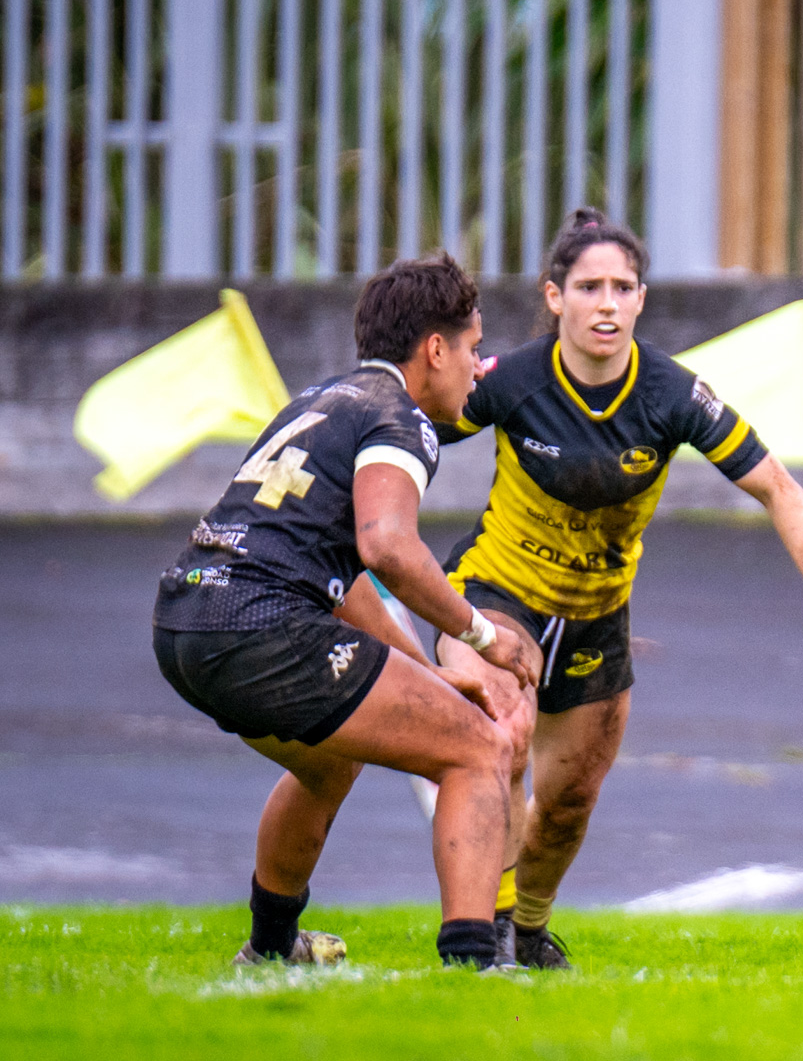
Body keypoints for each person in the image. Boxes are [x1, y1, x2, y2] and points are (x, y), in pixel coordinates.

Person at [433, 208, 803, 969]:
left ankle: (530, 934)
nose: (606, 302)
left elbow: (777, 486)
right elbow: (409, 428)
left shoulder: (673, 394)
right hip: (492, 592)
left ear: (641, 299)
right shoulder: (511, 380)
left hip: (595, 617)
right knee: (499, 737)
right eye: (588, 287)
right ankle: (488, 934)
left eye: (623, 287)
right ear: (554, 297)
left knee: (570, 802)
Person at [151, 255, 534, 970]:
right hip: (259, 623)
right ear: (436, 348)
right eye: (475, 348)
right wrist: (481, 637)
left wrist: (428, 674)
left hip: (183, 615)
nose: (479, 368)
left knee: (329, 763)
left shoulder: (323, 398)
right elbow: (385, 545)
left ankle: (268, 950)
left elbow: (345, 578)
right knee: (478, 747)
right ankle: (479, 968)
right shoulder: (403, 420)